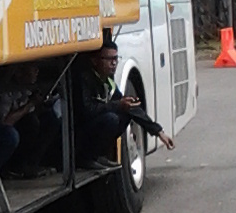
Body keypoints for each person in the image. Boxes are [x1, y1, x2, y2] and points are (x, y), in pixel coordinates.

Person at [73, 32, 174, 169]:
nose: (113, 63)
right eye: (109, 59)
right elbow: (87, 111)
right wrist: (117, 105)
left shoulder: (108, 81)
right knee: (111, 119)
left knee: (126, 113)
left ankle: (98, 156)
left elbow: (129, 107)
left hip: (93, 126)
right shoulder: (85, 80)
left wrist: (158, 132)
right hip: (79, 134)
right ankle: (85, 158)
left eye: (115, 59)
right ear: (95, 61)